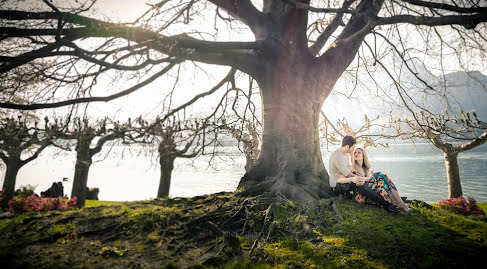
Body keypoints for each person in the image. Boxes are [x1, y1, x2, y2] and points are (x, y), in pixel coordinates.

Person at [329, 136, 397, 212]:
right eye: (353, 147)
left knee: (362, 183)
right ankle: (386, 204)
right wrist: (358, 178)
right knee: (360, 184)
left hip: (345, 179)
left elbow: (350, 168)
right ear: (348, 146)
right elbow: (347, 174)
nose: (353, 150)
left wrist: (358, 177)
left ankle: (389, 201)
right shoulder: (337, 157)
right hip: (337, 185)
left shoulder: (347, 154)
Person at [352, 147, 412, 213]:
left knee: (386, 179)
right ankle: (399, 203)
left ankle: (399, 203)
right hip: (361, 195)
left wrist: (365, 179)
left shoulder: (366, 168)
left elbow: (369, 178)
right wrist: (365, 179)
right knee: (379, 175)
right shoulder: (352, 167)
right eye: (355, 152)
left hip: (371, 190)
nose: (356, 154)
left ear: (364, 156)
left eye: (359, 152)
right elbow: (361, 179)